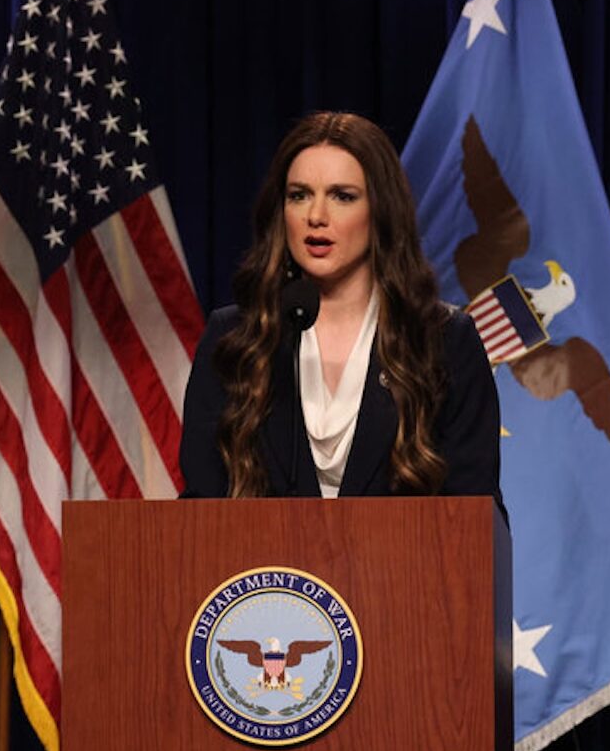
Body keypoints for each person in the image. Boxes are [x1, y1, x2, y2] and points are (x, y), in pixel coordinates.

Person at [179, 112, 502, 510]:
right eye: (299, 195)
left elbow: (475, 519)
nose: (316, 215)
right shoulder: (234, 340)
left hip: (397, 571)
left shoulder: (443, 340)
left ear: (380, 210)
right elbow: (198, 515)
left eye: (342, 196)